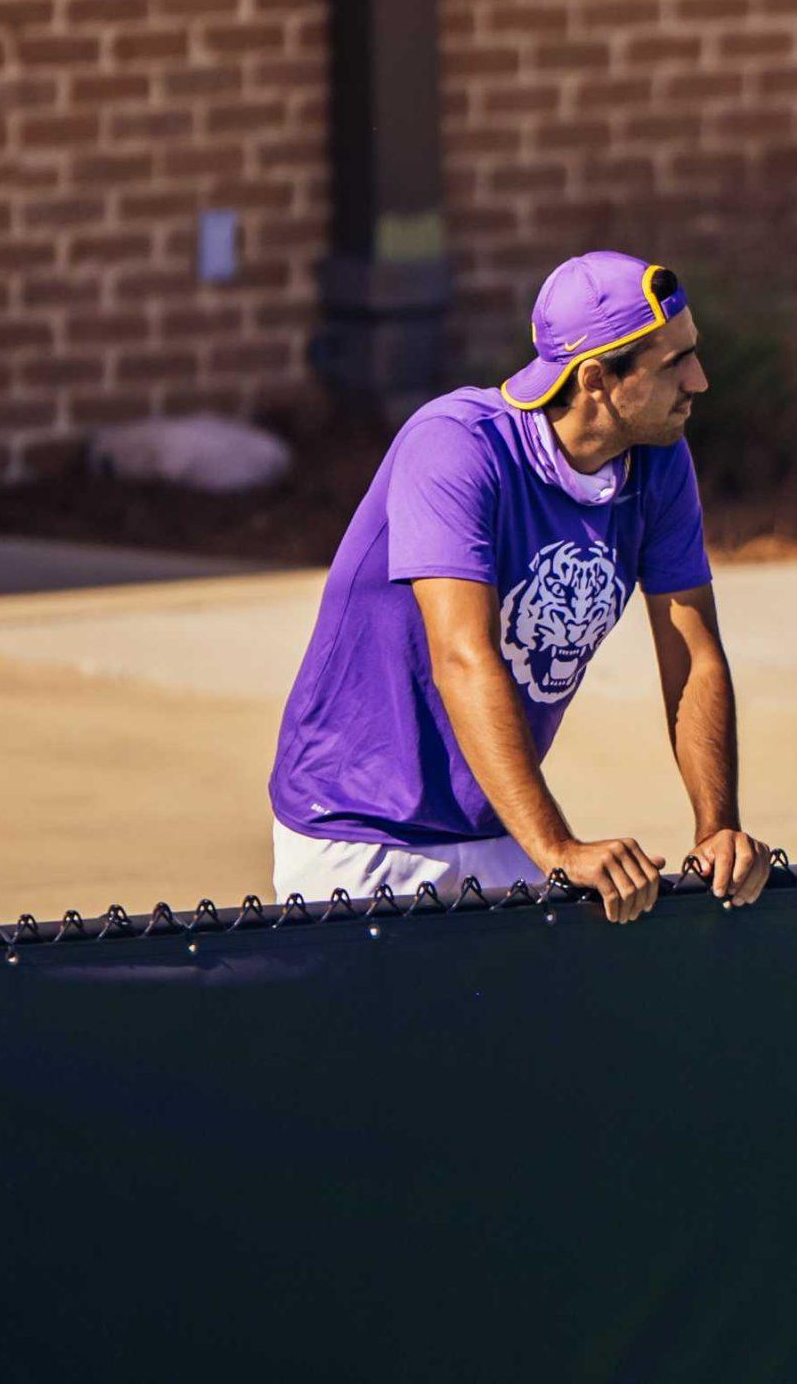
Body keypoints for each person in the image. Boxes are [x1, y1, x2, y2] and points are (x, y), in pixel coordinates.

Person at [266, 251, 769, 923]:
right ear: (596, 379)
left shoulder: (659, 461)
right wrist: (558, 846)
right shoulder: (456, 446)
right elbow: (462, 656)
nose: (700, 380)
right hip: (360, 829)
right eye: (673, 363)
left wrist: (717, 829)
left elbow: (694, 655)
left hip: (497, 823)